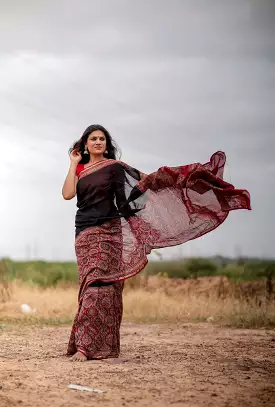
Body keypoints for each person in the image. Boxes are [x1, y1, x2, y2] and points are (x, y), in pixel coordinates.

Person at [62, 124, 251, 362]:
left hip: (109, 233)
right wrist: (72, 163)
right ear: (85, 145)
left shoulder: (116, 169)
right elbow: (68, 194)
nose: (98, 142)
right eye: (93, 139)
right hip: (84, 234)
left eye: (102, 139)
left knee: (104, 287)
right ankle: (85, 345)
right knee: (89, 285)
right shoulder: (79, 170)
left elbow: (127, 200)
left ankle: (91, 348)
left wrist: (161, 194)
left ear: (107, 145)